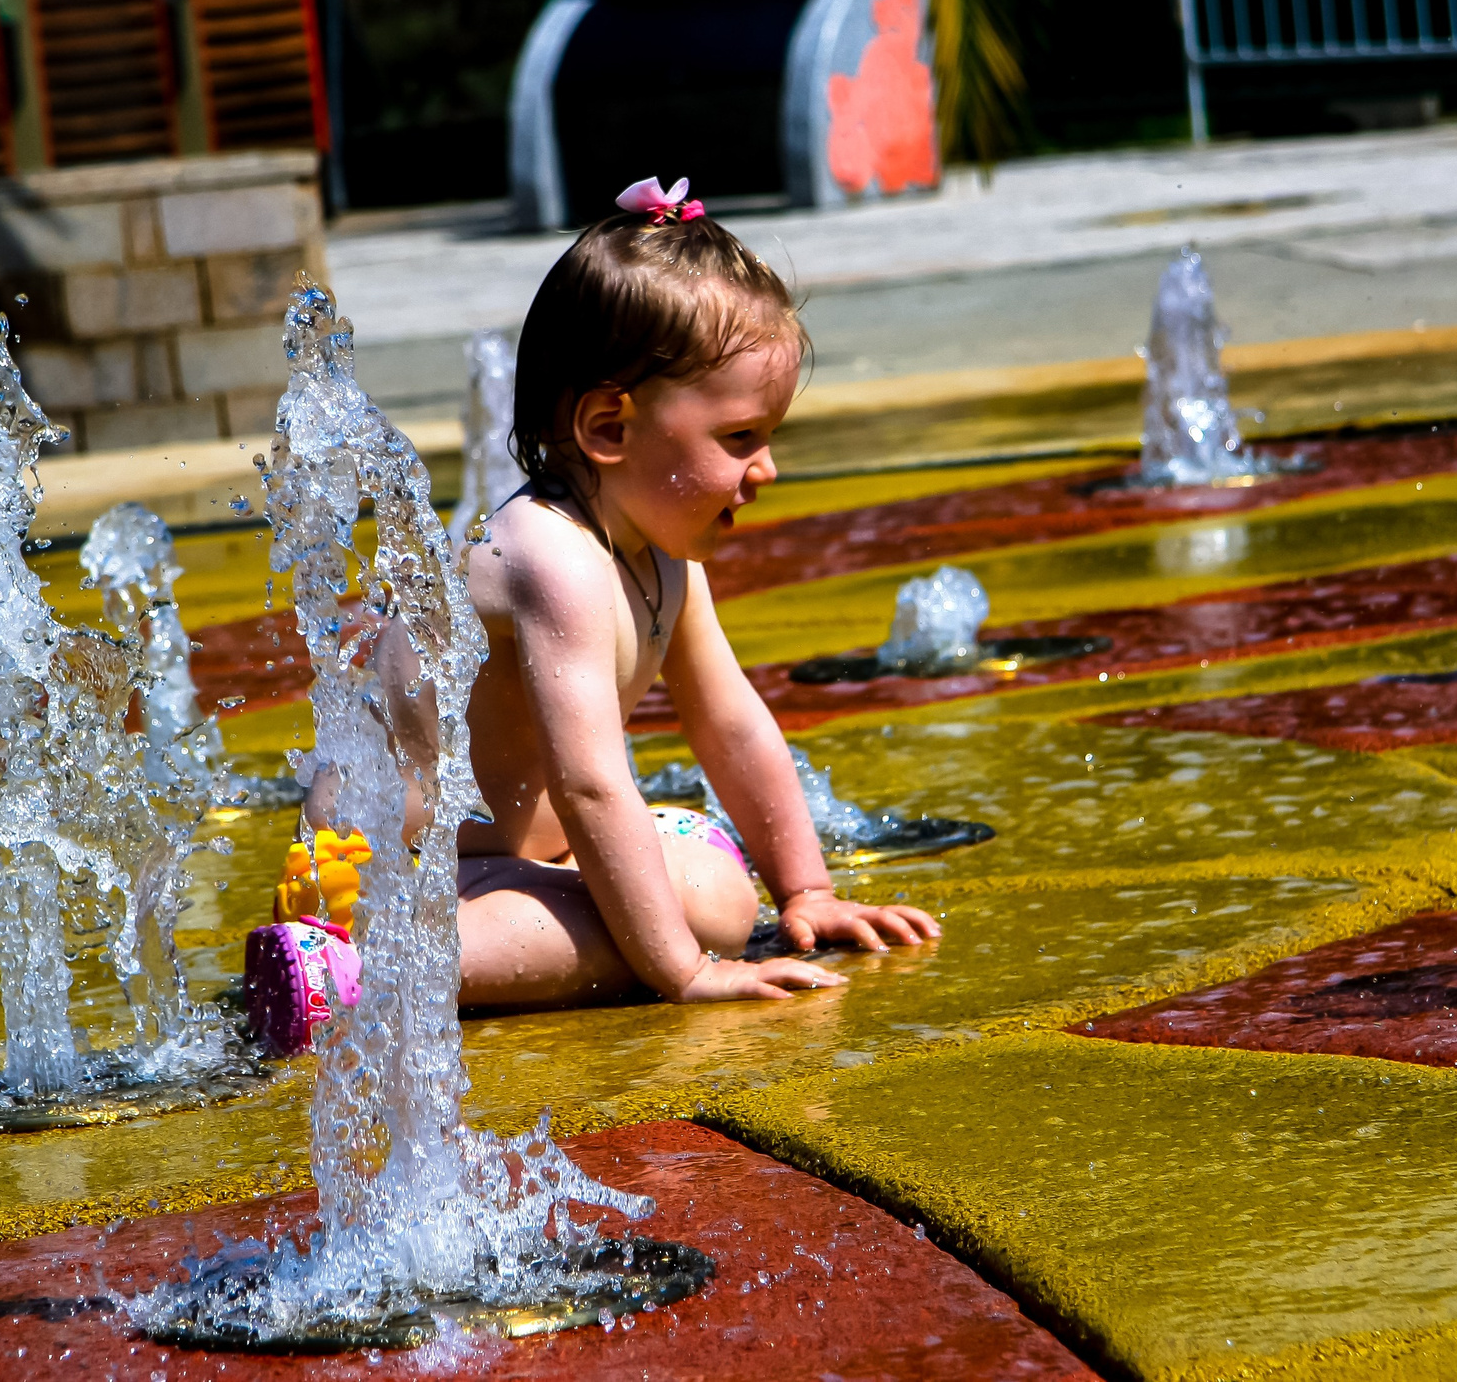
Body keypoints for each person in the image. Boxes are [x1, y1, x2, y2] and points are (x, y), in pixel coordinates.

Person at [247, 177, 939, 1051]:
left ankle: (463, 953)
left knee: (722, 897)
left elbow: (732, 726)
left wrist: (809, 891)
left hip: (511, 865)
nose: (766, 470)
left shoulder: (660, 551)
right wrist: (682, 973)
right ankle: (349, 972)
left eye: (771, 436)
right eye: (739, 440)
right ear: (610, 427)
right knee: (682, 927)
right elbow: (589, 784)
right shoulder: (547, 557)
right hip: (380, 879)